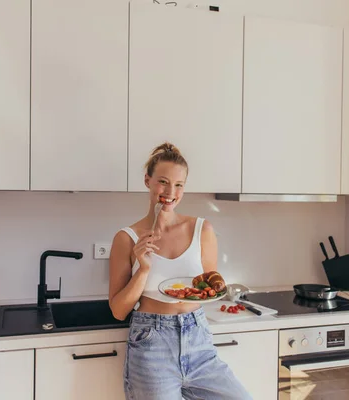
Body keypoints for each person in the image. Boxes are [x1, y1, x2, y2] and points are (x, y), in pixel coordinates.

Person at [108, 142, 252, 400]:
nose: (170, 192)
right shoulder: (126, 238)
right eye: (163, 182)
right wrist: (143, 269)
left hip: (198, 338)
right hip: (151, 343)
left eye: (178, 185)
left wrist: (213, 291)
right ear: (147, 181)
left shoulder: (202, 229)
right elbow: (118, 310)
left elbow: (210, 285)